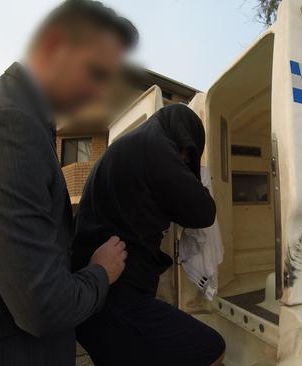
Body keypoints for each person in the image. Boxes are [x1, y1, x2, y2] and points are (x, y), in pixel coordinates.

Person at [0, 1, 137, 365]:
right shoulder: (6, 127)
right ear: (53, 46)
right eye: (96, 73)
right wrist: (101, 271)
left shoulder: (16, 111)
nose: (100, 93)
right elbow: (43, 306)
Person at [72, 104, 226, 366]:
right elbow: (203, 211)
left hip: (96, 298)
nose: (185, 162)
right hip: (115, 302)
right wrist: (196, 176)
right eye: (188, 155)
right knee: (211, 348)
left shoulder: (130, 145)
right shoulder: (154, 148)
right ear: (181, 136)